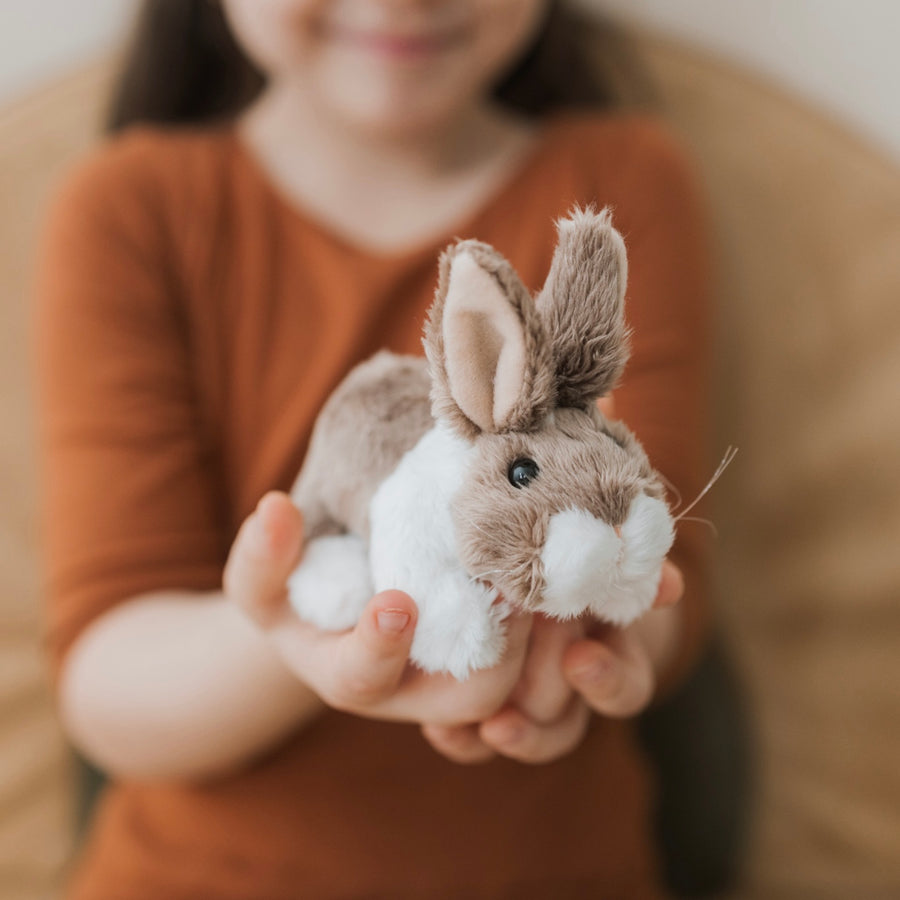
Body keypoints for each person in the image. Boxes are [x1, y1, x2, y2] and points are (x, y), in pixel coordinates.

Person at [34, 1, 713, 897]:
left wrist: (599, 639)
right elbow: (110, 683)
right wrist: (301, 628)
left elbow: (672, 578)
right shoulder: (132, 209)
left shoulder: (620, 182)